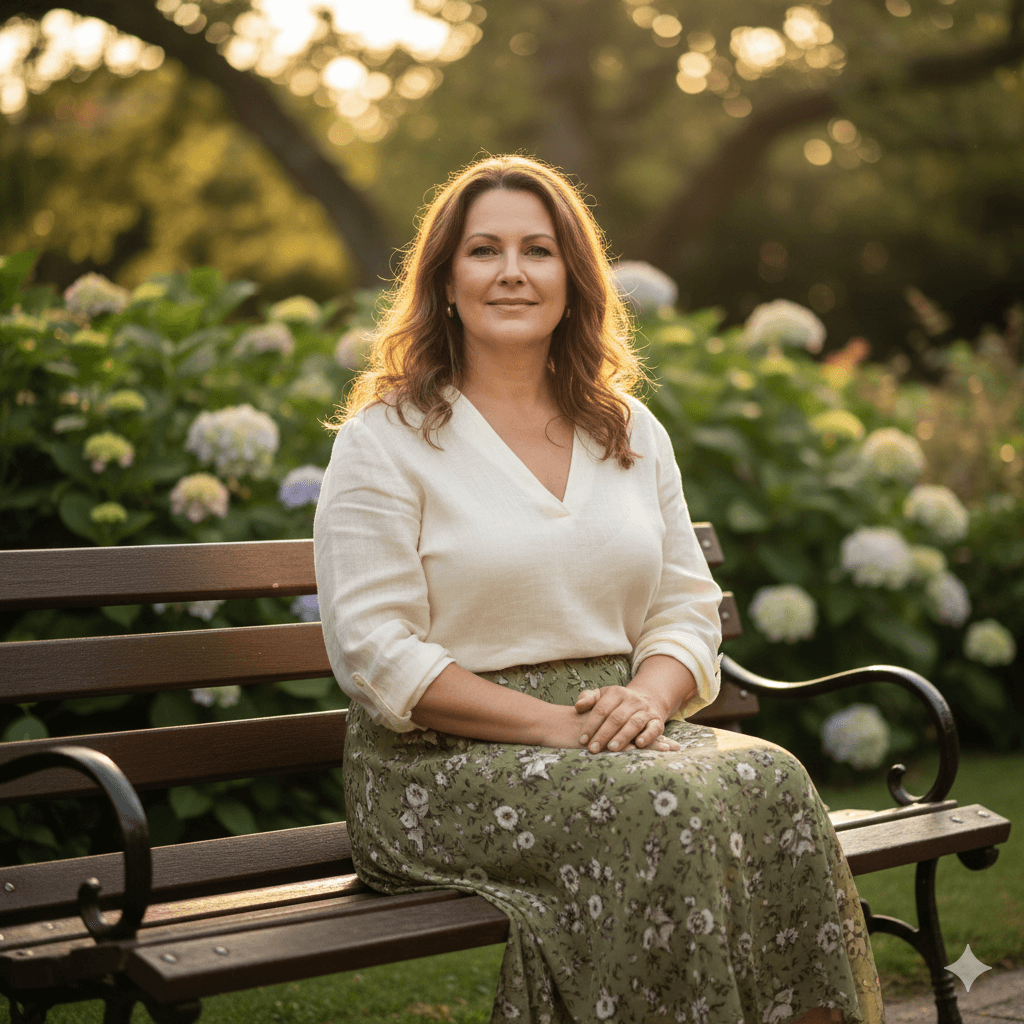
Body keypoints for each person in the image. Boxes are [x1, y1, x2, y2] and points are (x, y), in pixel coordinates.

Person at [313, 155, 884, 1024]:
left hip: (618, 732)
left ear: (572, 280)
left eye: (538, 250)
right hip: (442, 764)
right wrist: (554, 726)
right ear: (445, 281)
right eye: (484, 251)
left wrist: (646, 701)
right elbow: (377, 655)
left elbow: (685, 609)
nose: (512, 272)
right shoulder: (384, 439)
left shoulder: (627, 428)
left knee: (774, 783)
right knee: (663, 810)